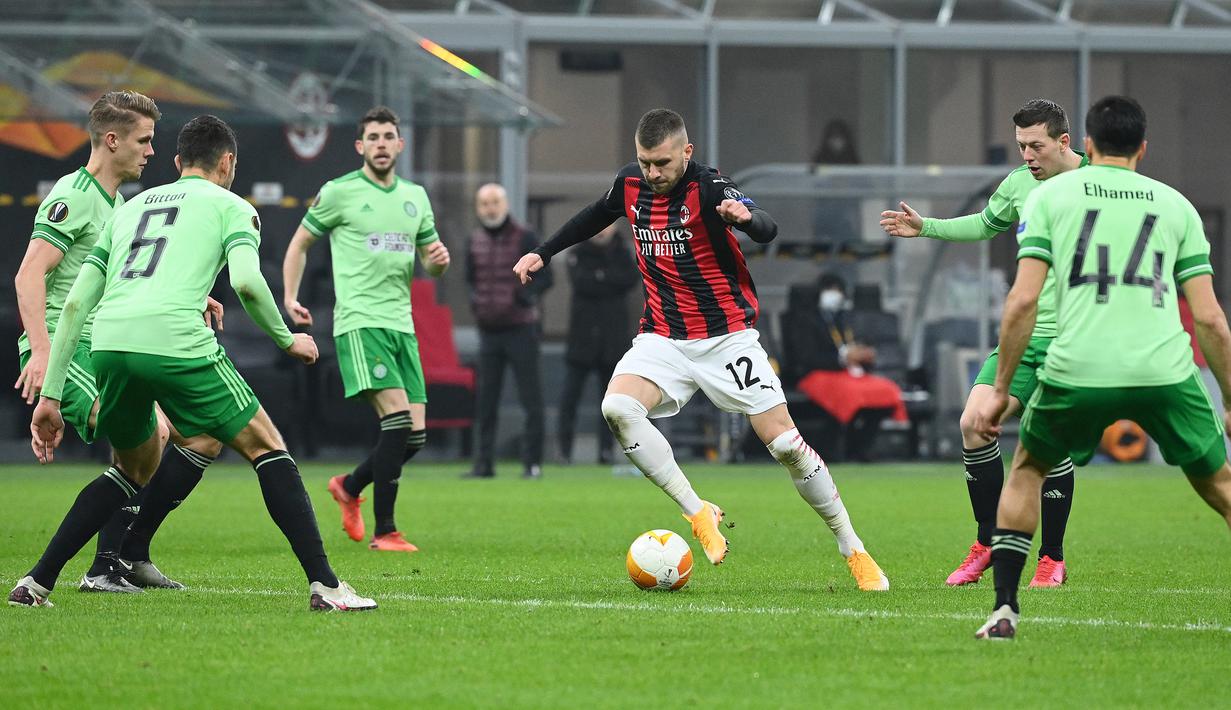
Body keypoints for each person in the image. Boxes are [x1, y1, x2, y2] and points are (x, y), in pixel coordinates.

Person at [514, 108, 889, 590]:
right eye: (645, 162)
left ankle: (852, 547)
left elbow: (768, 228)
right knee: (618, 408)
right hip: (663, 336)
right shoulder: (630, 184)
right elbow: (593, 216)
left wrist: (747, 218)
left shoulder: (710, 188)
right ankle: (698, 512)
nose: (653, 173)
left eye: (663, 163)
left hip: (726, 337)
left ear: (686, 153)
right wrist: (542, 252)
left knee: (785, 447)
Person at [15, 115, 375, 611]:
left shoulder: (129, 208)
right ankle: (327, 586)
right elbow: (247, 283)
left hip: (111, 345)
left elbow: (76, 304)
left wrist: (51, 397)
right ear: (228, 163)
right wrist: (287, 339)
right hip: (175, 341)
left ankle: (36, 583)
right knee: (267, 446)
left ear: (178, 162)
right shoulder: (233, 206)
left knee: (132, 469)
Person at [969, 96, 1231, 639]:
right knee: (1221, 485)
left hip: (1078, 365)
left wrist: (999, 388)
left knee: (1025, 471)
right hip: (1163, 370)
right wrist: (1229, 398)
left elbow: (1021, 303)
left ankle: (1004, 611)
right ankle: (1044, 569)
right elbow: (1209, 319)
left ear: (1084, 144)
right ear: (1142, 147)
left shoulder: (1050, 197)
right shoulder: (1176, 205)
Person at [10, 90, 220, 596]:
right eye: (144, 141)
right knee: (149, 440)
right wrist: (41, 353)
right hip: (69, 346)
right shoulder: (75, 193)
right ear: (112, 140)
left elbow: (120, 280)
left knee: (186, 435)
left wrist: (194, 299)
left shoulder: (120, 205)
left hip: (105, 341)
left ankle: (116, 561)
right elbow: (28, 275)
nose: (151, 151)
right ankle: (78, 570)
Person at [880, 99, 1086, 588]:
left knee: (1047, 444)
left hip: (1075, 340)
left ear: (1064, 140)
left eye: (1036, 146)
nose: (1028, 156)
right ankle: (988, 541)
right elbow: (985, 224)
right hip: (1023, 338)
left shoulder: (1096, 183)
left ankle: (1052, 557)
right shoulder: (1019, 183)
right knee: (973, 422)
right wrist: (925, 226)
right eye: (1021, 147)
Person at [283, 106, 451, 552]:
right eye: (372, 136)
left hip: (402, 327)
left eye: (387, 136)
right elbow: (300, 242)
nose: (380, 143)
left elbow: (431, 264)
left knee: (414, 436)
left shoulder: (415, 196)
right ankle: (386, 531)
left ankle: (350, 485)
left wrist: (437, 265)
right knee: (395, 423)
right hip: (360, 322)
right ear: (360, 146)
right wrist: (290, 297)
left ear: (400, 144)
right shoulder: (339, 192)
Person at [464, 183, 552, 479]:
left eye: (495, 202)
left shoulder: (525, 235)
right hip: (489, 330)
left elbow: (546, 277)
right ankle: (483, 464)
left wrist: (524, 298)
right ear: (478, 208)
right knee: (485, 401)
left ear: (505, 204)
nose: (490, 208)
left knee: (531, 399)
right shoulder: (473, 239)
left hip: (521, 328)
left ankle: (532, 464)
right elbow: (469, 279)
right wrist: (477, 305)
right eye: (484, 203)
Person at [786, 273, 907, 461]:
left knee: (888, 391)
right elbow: (805, 358)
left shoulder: (842, 318)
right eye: (830, 290)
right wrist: (843, 357)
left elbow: (851, 343)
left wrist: (863, 354)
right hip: (817, 374)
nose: (835, 295)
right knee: (849, 396)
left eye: (838, 291)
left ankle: (860, 447)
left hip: (847, 374)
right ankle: (833, 449)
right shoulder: (805, 319)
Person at [557, 222, 639, 465]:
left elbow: (629, 279)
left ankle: (605, 451)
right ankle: (564, 451)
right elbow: (582, 282)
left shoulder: (623, 252)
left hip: (613, 341)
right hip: (581, 340)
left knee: (611, 402)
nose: (601, 230)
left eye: (607, 225)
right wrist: (608, 280)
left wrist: (600, 279)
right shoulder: (577, 251)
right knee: (569, 398)